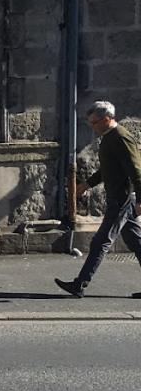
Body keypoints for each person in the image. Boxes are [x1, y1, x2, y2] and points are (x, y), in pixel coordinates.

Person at [55, 101, 141, 297]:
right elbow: (107, 169)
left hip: (122, 199)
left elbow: (136, 170)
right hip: (119, 198)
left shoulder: (121, 138)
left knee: (100, 242)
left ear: (107, 119)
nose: (92, 127)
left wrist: (140, 200)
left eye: (95, 123)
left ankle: (80, 284)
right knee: (136, 242)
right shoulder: (109, 138)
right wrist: (86, 185)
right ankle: (79, 284)